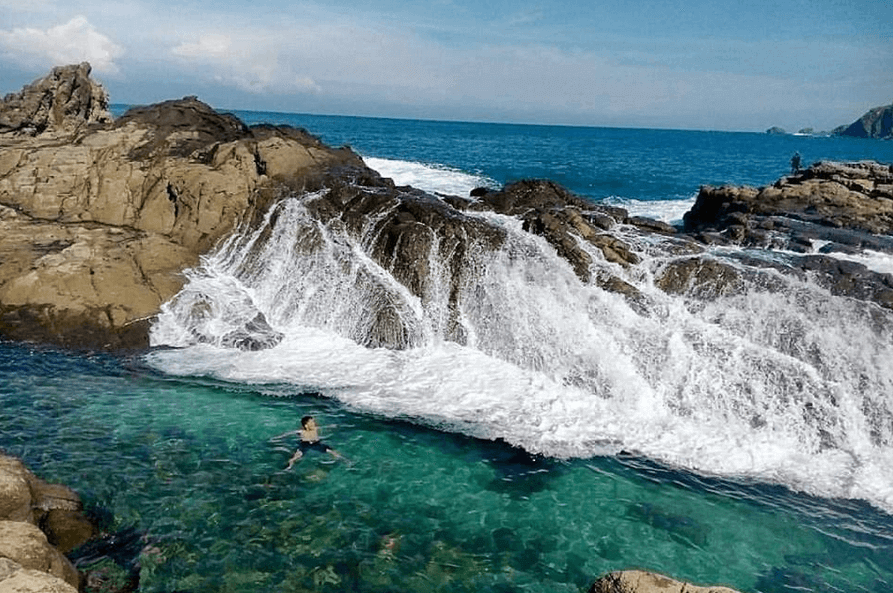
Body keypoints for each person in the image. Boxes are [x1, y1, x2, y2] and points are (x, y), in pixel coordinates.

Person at [275, 415, 343, 469]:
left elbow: (327, 428)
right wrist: (279, 438)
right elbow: (289, 433)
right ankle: (289, 468)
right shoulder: (301, 432)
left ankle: (343, 462)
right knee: (295, 457)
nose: (314, 423)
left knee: (333, 452)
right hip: (305, 445)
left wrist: (333, 426)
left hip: (317, 444)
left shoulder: (315, 429)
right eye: (312, 422)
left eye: (314, 422)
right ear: (306, 425)